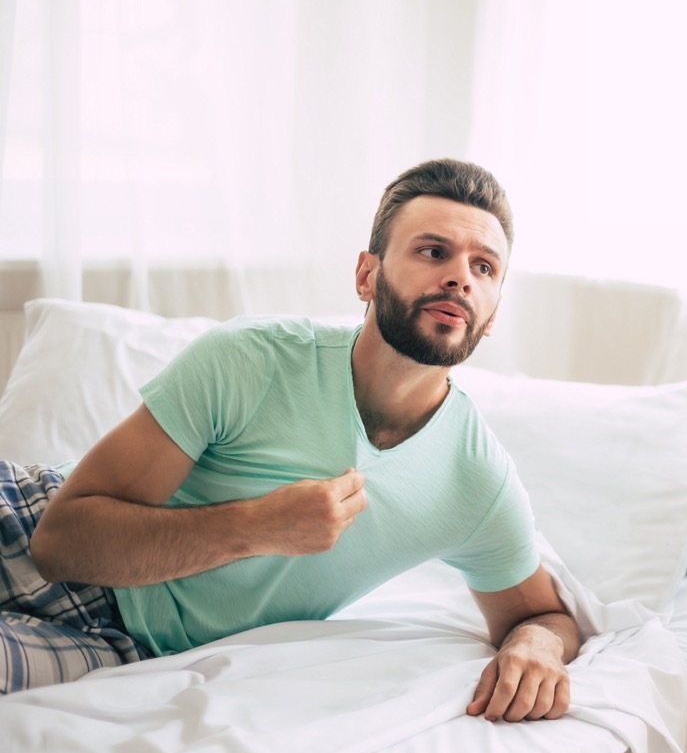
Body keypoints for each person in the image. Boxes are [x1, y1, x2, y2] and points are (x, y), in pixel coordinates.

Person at [1, 159, 582, 721]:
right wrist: (258, 526)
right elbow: (60, 541)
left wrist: (537, 645)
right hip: (25, 519)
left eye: (485, 268)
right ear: (367, 275)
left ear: (493, 311)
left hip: (127, 649)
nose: (460, 276)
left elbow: (545, 615)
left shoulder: (475, 481)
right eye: (433, 252)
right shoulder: (250, 359)